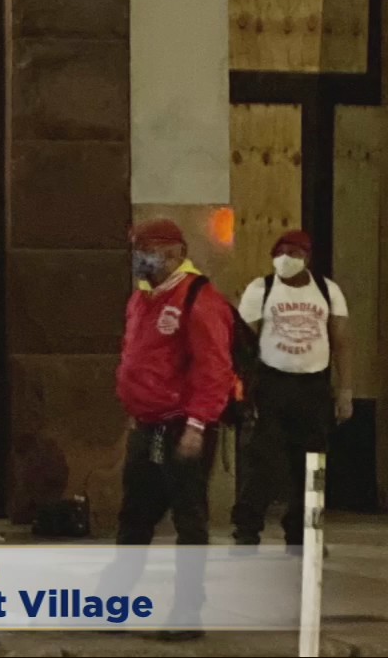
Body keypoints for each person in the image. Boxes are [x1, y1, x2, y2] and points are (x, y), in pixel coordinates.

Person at [114, 218, 236, 639]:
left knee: (189, 519)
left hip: (184, 425)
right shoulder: (142, 299)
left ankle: (187, 612)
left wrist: (198, 425)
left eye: (144, 249)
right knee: (134, 517)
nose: (138, 258)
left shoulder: (199, 300)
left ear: (173, 254)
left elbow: (214, 369)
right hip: (147, 424)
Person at [232, 230, 353, 548]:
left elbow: (341, 342)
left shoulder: (327, 291)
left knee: (312, 462)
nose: (288, 258)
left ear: (308, 257)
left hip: (313, 386)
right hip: (271, 384)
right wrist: (242, 388)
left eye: (296, 252)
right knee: (262, 460)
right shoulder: (261, 289)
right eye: (282, 251)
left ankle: (304, 532)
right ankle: (247, 528)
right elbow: (243, 343)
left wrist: (345, 390)